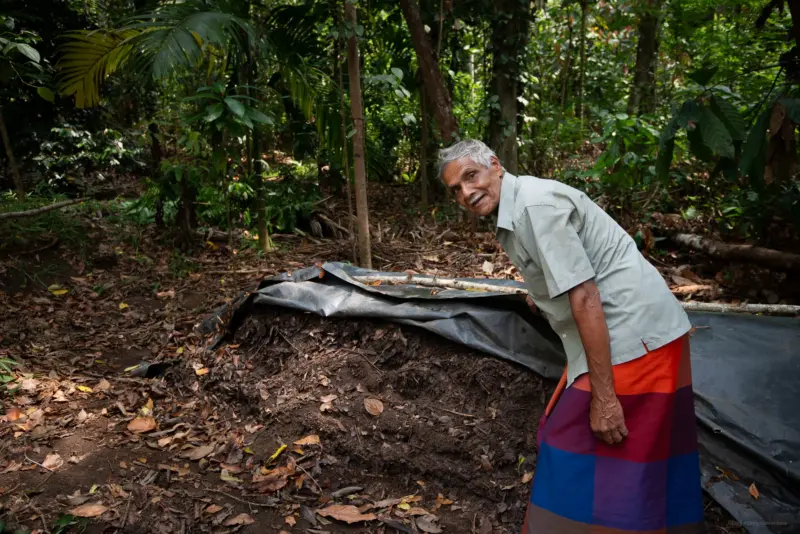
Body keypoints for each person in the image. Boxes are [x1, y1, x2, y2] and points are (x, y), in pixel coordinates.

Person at [438, 140, 705, 534]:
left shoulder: (534, 207)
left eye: (470, 176)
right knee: (645, 457)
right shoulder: (516, 206)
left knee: (575, 445)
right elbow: (570, 269)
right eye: (455, 189)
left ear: (495, 165)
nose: (465, 192)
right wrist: (542, 295)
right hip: (632, 331)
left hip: (637, 337)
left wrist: (606, 398)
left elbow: (584, 296)